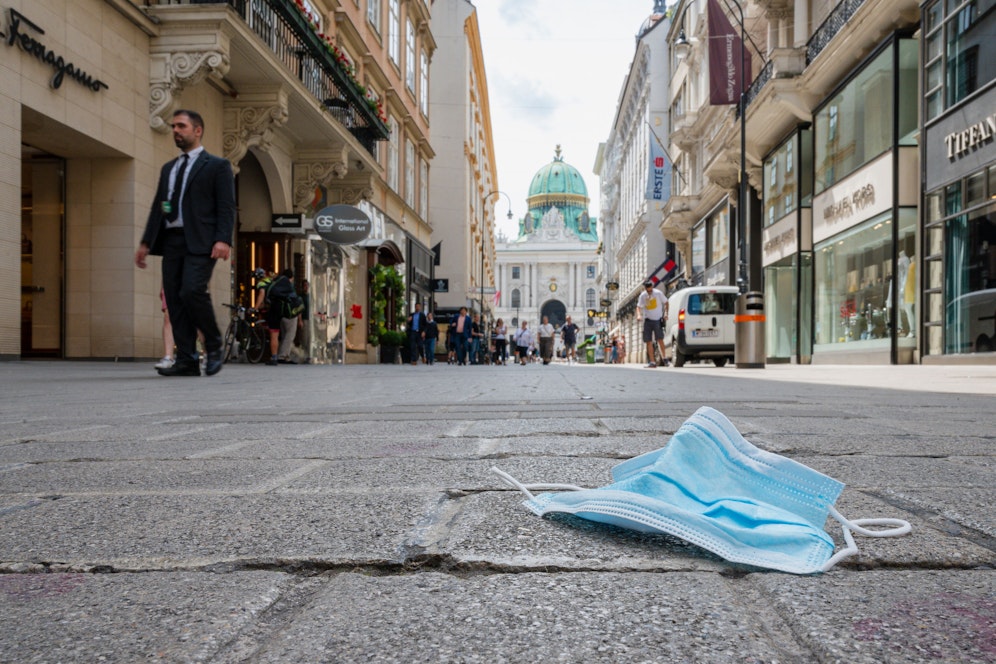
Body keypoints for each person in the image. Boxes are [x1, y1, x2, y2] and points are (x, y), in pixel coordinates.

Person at [136, 109, 235, 377]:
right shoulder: (169, 168)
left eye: (181, 126)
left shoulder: (217, 166)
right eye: (173, 127)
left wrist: (224, 239)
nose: (176, 131)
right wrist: (146, 242)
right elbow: (159, 207)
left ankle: (213, 344)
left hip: (201, 241)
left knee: (192, 290)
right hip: (172, 241)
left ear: (197, 130)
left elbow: (227, 207)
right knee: (175, 299)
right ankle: (187, 360)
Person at [254, 267, 300, 366]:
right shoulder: (273, 280)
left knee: (274, 334)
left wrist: (255, 308)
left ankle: (274, 357)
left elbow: (262, 294)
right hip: (283, 309)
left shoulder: (261, 283)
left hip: (274, 309)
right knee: (286, 333)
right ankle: (282, 355)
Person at [637, 279, 669, 368]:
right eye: (648, 290)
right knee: (648, 341)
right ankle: (652, 362)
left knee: (660, 339)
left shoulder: (658, 293)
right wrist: (639, 315)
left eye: (651, 289)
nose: (649, 291)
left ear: (652, 287)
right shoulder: (643, 295)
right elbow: (638, 307)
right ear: (645, 288)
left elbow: (666, 302)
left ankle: (665, 358)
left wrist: (666, 313)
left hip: (657, 319)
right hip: (647, 320)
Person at [155, 287, 175, 370]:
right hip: (170, 282)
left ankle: (208, 353)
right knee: (168, 317)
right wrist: (162, 285)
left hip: (192, 281)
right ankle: (168, 357)